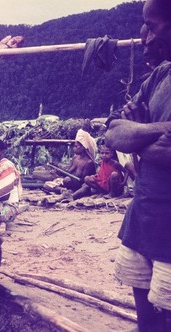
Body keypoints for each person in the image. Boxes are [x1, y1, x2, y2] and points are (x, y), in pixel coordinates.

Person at [105, 1, 171, 331]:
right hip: (142, 217)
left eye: (152, 24)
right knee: (146, 320)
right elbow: (114, 131)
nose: (144, 35)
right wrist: (161, 130)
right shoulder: (160, 76)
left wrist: (138, 136)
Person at [43, 129, 96, 194]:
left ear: (83, 147)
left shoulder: (88, 162)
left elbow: (83, 181)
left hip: (78, 186)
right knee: (46, 185)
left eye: (76, 146)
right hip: (67, 183)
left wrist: (68, 179)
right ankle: (62, 190)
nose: (74, 148)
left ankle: (67, 191)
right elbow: (68, 172)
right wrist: (58, 171)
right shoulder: (75, 158)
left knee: (67, 180)